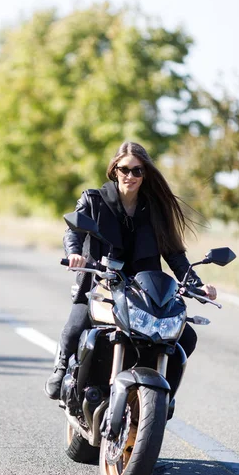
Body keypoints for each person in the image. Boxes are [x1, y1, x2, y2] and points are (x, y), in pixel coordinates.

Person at [44, 141, 217, 400]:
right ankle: (61, 368)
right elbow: (74, 231)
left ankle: (161, 394)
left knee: (186, 337)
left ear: (145, 174)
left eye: (138, 171)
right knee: (77, 323)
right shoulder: (93, 200)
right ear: (114, 170)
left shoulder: (156, 210)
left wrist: (196, 283)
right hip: (101, 285)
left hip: (144, 294)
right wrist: (75, 254)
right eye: (125, 169)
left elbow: (174, 254)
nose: (131, 176)